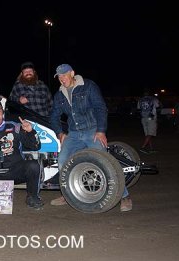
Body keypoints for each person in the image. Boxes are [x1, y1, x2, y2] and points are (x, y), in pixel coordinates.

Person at [50, 64, 132, 212]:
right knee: (63, 161)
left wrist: (101, 131)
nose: (61, 79)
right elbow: (54, 116)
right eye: (59, 77)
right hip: (73, 134)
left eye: (64, 75)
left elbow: (100, 108)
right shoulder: (59, 95)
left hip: (92, 131)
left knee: (105, 162)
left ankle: (124, 196)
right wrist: (60, 133)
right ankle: (68, 194)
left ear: (72, 73)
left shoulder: (88, 86)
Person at [137, 89, 160, 153]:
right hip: (151, 118)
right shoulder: (153, 99)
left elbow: (139, 108)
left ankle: (151, 148)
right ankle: (143, 147)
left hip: (143, 118)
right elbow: (158, 106)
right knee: (150, 133)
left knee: (147, 134)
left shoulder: (140, 100)